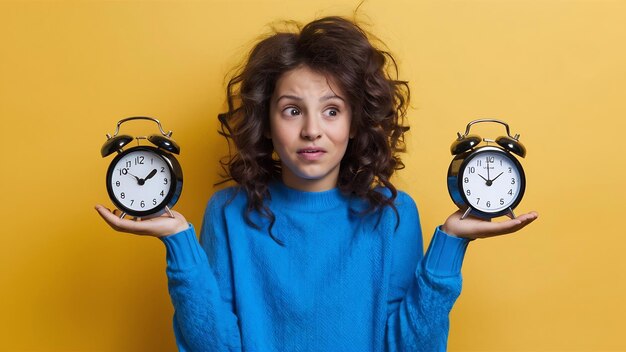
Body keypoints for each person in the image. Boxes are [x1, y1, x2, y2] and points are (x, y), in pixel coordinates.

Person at [95, 16, 538, 352]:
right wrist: (178, 243)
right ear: (267, 123)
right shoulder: (228, 212)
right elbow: (214, 346)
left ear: (355, 121)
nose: (312, 131)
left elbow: (410, 347)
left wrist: (451, 245)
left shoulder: (394, 213)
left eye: (331, 110)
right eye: (292, 110)